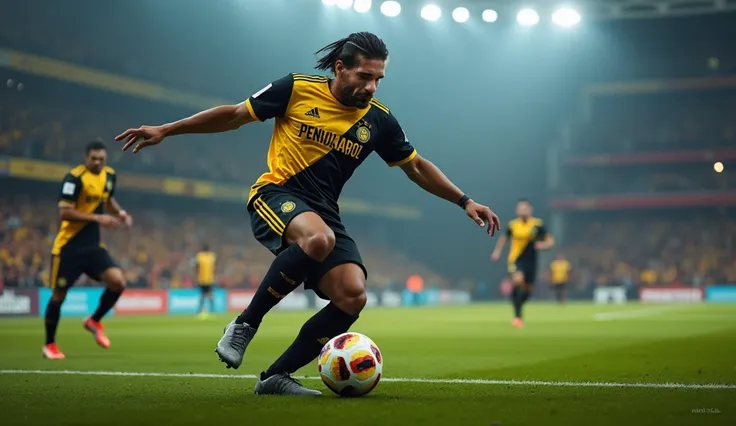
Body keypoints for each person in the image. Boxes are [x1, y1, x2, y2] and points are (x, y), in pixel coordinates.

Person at [116, 32, 500, 395]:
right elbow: (234, 115)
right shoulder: (296, 89)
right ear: (339, 68)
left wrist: (464, 200)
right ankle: (245, 324)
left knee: (353, 296)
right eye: (365, 76)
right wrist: (168, 129)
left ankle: (276, 376)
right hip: (276, 193)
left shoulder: (379, 120)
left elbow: (415, 167)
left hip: (324, 213)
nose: (372, 87)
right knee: (318, 239)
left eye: (379, 79)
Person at [43, 140, 132, 359]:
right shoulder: (74, 178)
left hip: (92, 247)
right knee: (58, 296)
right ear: (86, 158)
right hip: (68, 247)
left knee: (118, 282)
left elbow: (108, 199)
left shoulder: (109, 175)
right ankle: (50, 345)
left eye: (102, 159)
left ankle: (94, 320)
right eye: (94, 159)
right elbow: (64, 213)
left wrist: (120, 213)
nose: (98, 162)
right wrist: (98, 217)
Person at [491, 199, 553, 328]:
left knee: (528, 290)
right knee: (518, 280)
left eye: (525, 208)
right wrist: (497, 252)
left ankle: (516, 300)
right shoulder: (513, 225)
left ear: (530, 210)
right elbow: (504, 239)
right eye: (520, 208)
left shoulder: (538, 224)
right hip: (516, 260)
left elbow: (550, 241)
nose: (523, 210)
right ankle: (518, 317)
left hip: (532, 262)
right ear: (517, 210)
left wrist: (544, 245)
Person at [194, 243, 217, 318]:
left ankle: (200, 311)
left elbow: (196, 268)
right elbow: (215, 268)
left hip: (202, 279)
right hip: (209, 279)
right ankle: (212, 311)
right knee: (209, 295)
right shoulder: (212, 256)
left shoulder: (199, 256)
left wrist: (196, 277)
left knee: (202, 296)